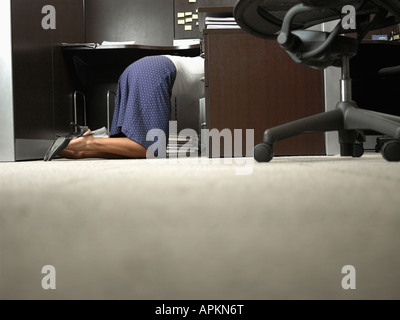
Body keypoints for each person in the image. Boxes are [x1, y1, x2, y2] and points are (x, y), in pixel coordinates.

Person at [57, 54, 204, 160]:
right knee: (153, 148)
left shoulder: (209, 59)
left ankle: (82, 152)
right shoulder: (219, 65)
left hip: (136, 69)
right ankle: (89, 141)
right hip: (154, 72)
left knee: (128, 143)